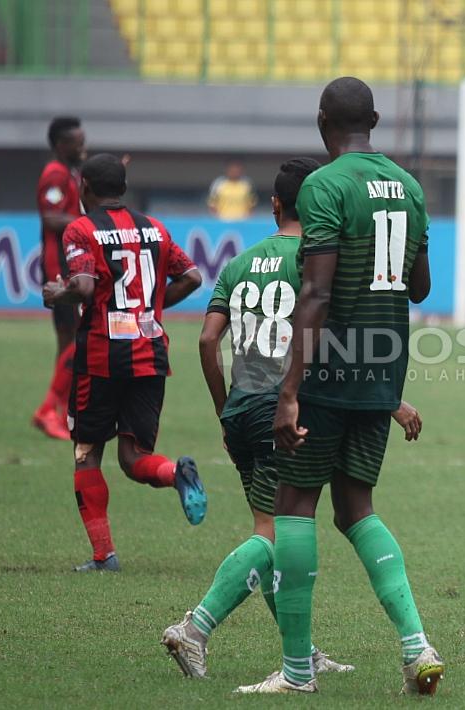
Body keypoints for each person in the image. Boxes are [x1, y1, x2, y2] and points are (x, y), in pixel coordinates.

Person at [160, 157, 424, 679]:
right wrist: (388, 401)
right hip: (293, 402)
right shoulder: (314, 260)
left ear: (276, 204)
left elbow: (209, 339)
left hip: (240, 406)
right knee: (279, 533)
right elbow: (330, 325)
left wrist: (223, 409)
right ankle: (194, 628)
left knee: (275, 526)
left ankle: (302, 654)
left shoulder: (239, 263)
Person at [235, 77, 440, 696]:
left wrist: (290, 389)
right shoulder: (408, 186)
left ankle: (298, 673)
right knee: (356, 509)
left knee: (296, 508)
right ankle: (416, 646)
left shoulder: (324, 186)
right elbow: (420, 285)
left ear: (322, 120)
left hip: (326, 374)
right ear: (373, 120)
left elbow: (318, 294)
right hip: (382, 373)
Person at [42, 153, 207, 573]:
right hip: (150, 354)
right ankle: (175, 473)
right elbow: (192, 277)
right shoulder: (154, 228)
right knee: (134, 458)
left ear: (85, 190)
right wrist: (151, 307)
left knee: (86, 453)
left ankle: (104, 555)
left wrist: (56, 295)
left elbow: (82, 285)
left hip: (101, 357)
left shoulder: (81, 229)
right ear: (124, 188)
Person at [33, 116, 86, 440]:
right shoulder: (54, 173)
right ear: (60, 145)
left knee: (72, 340)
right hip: (61, 267)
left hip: (70, 264)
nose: (83, 147)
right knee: (77, 340)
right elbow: (51, 218)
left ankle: (64, 411)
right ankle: (49, 410)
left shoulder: (70, 173)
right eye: (77, 143)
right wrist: (89, 220)